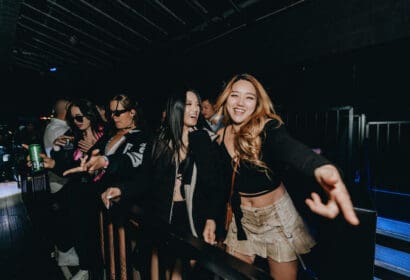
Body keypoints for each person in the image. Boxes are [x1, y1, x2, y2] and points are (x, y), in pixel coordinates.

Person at [214, 73, 359, 280]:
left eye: (249, 97)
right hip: (242, 219)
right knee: (235, 275)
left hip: (276, 219)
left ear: (257, 104)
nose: (240, 103)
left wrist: (321, 167)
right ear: (226, 99)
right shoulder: (221, 136)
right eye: (235, 95)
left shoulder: (268, 128)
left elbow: (288, 147)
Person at [98, 90, 223, 279]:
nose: (195, 109)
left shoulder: (204, 140)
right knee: (160, 268)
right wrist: (121, 189)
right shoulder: (159, 142)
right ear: (176, 107)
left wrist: (212, 218)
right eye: (189, 104)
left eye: (197, 105)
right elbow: (145, 179)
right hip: (163, 215)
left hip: (192, 218)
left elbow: (213, 185)